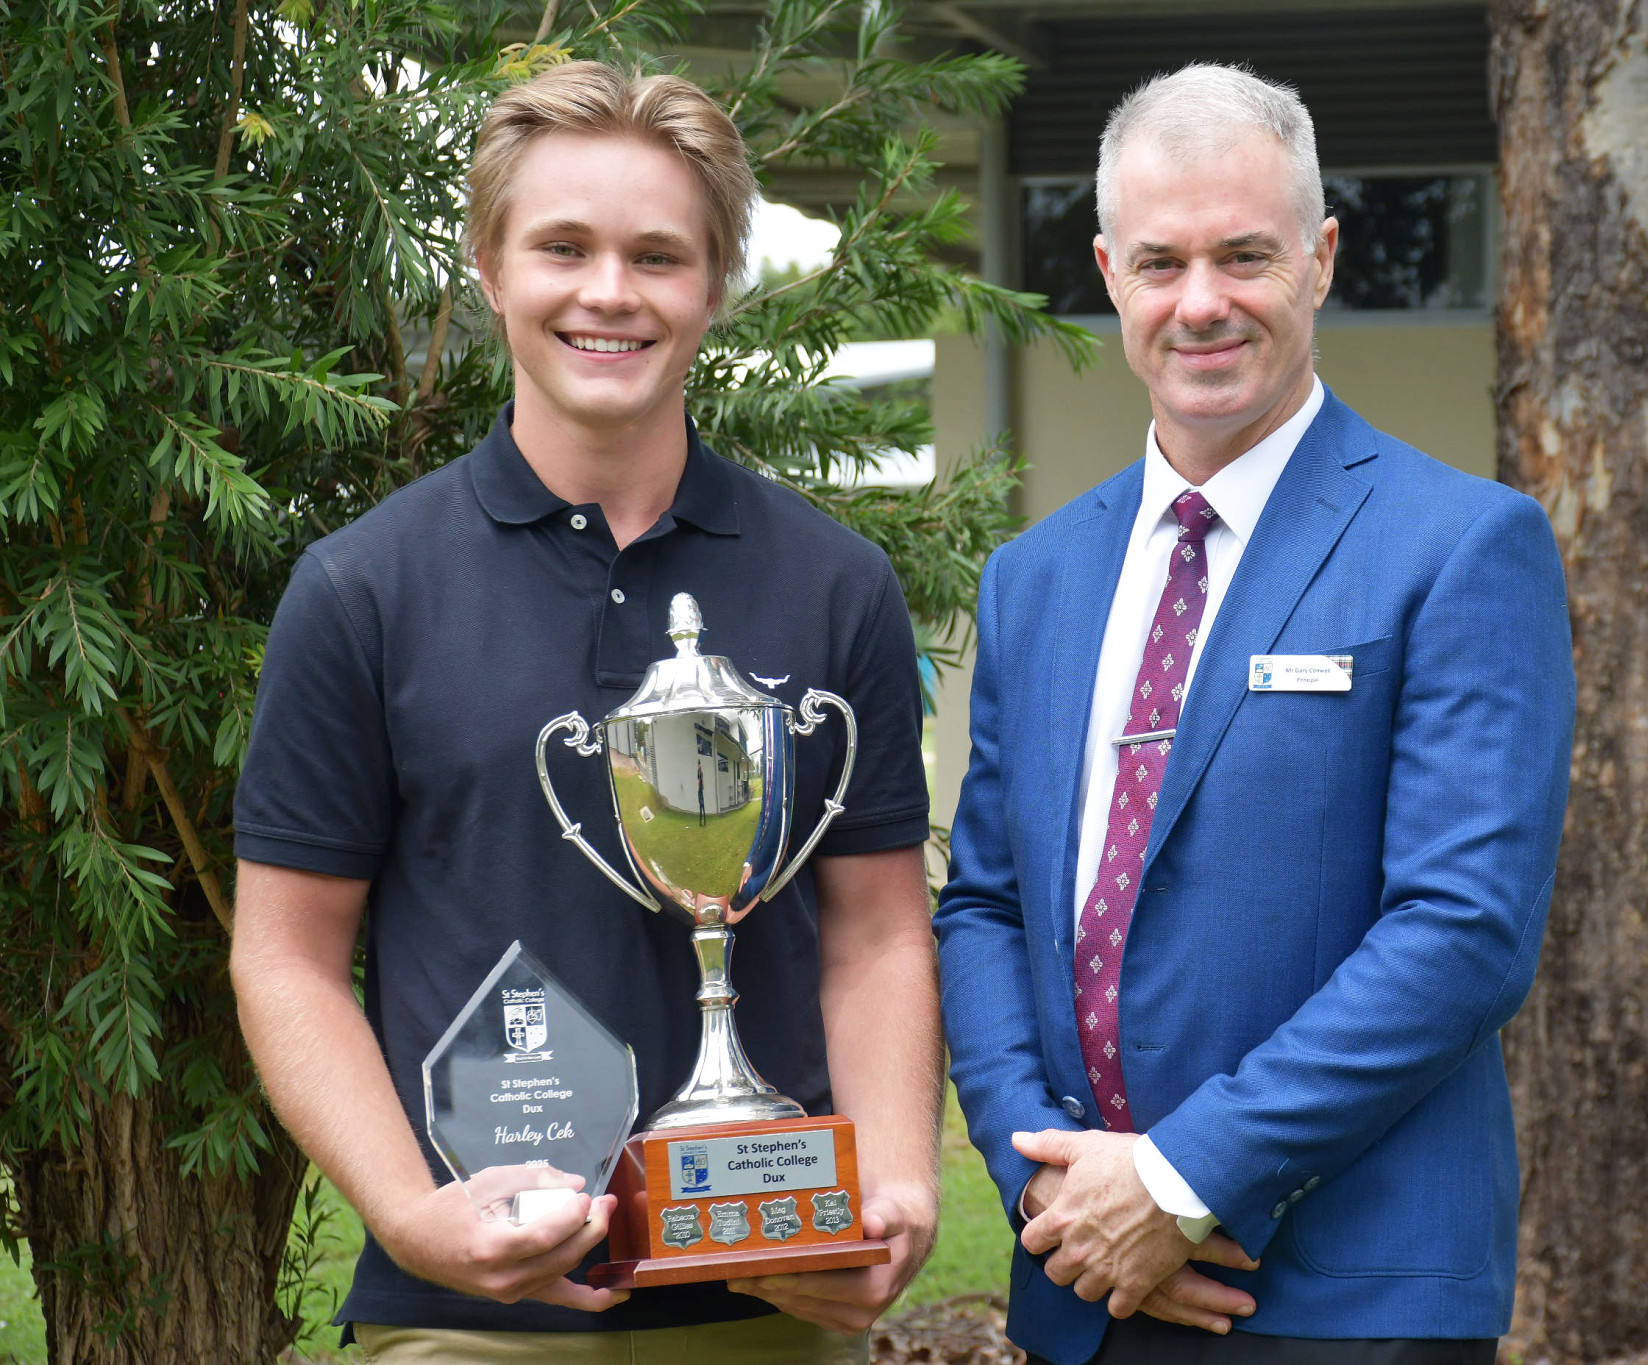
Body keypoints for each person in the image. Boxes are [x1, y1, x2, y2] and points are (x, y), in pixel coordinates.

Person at [230, 62, 939, 1364]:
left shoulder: (835, 584)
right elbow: (285, 956)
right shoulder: (362, 591)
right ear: (490, 270)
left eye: (657, 255)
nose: (608, 291)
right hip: (473, 1318)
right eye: (563, 246)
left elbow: (880, 932)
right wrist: (410, 1213)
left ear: (716, 284)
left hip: (770, 1304)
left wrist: (894, 1191)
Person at [933, 64, 1575, 1365]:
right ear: (1108, 271)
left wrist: (1179, 1181)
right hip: (1088, 1295)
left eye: (1245, 256)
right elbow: (986, 903)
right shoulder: (1037, 577)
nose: (1202, 303)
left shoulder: (1460, 547)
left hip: (1350, 1298)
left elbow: (1464, 933)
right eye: (1161, 263)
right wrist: (1042, 1177)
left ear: (1321, 257)